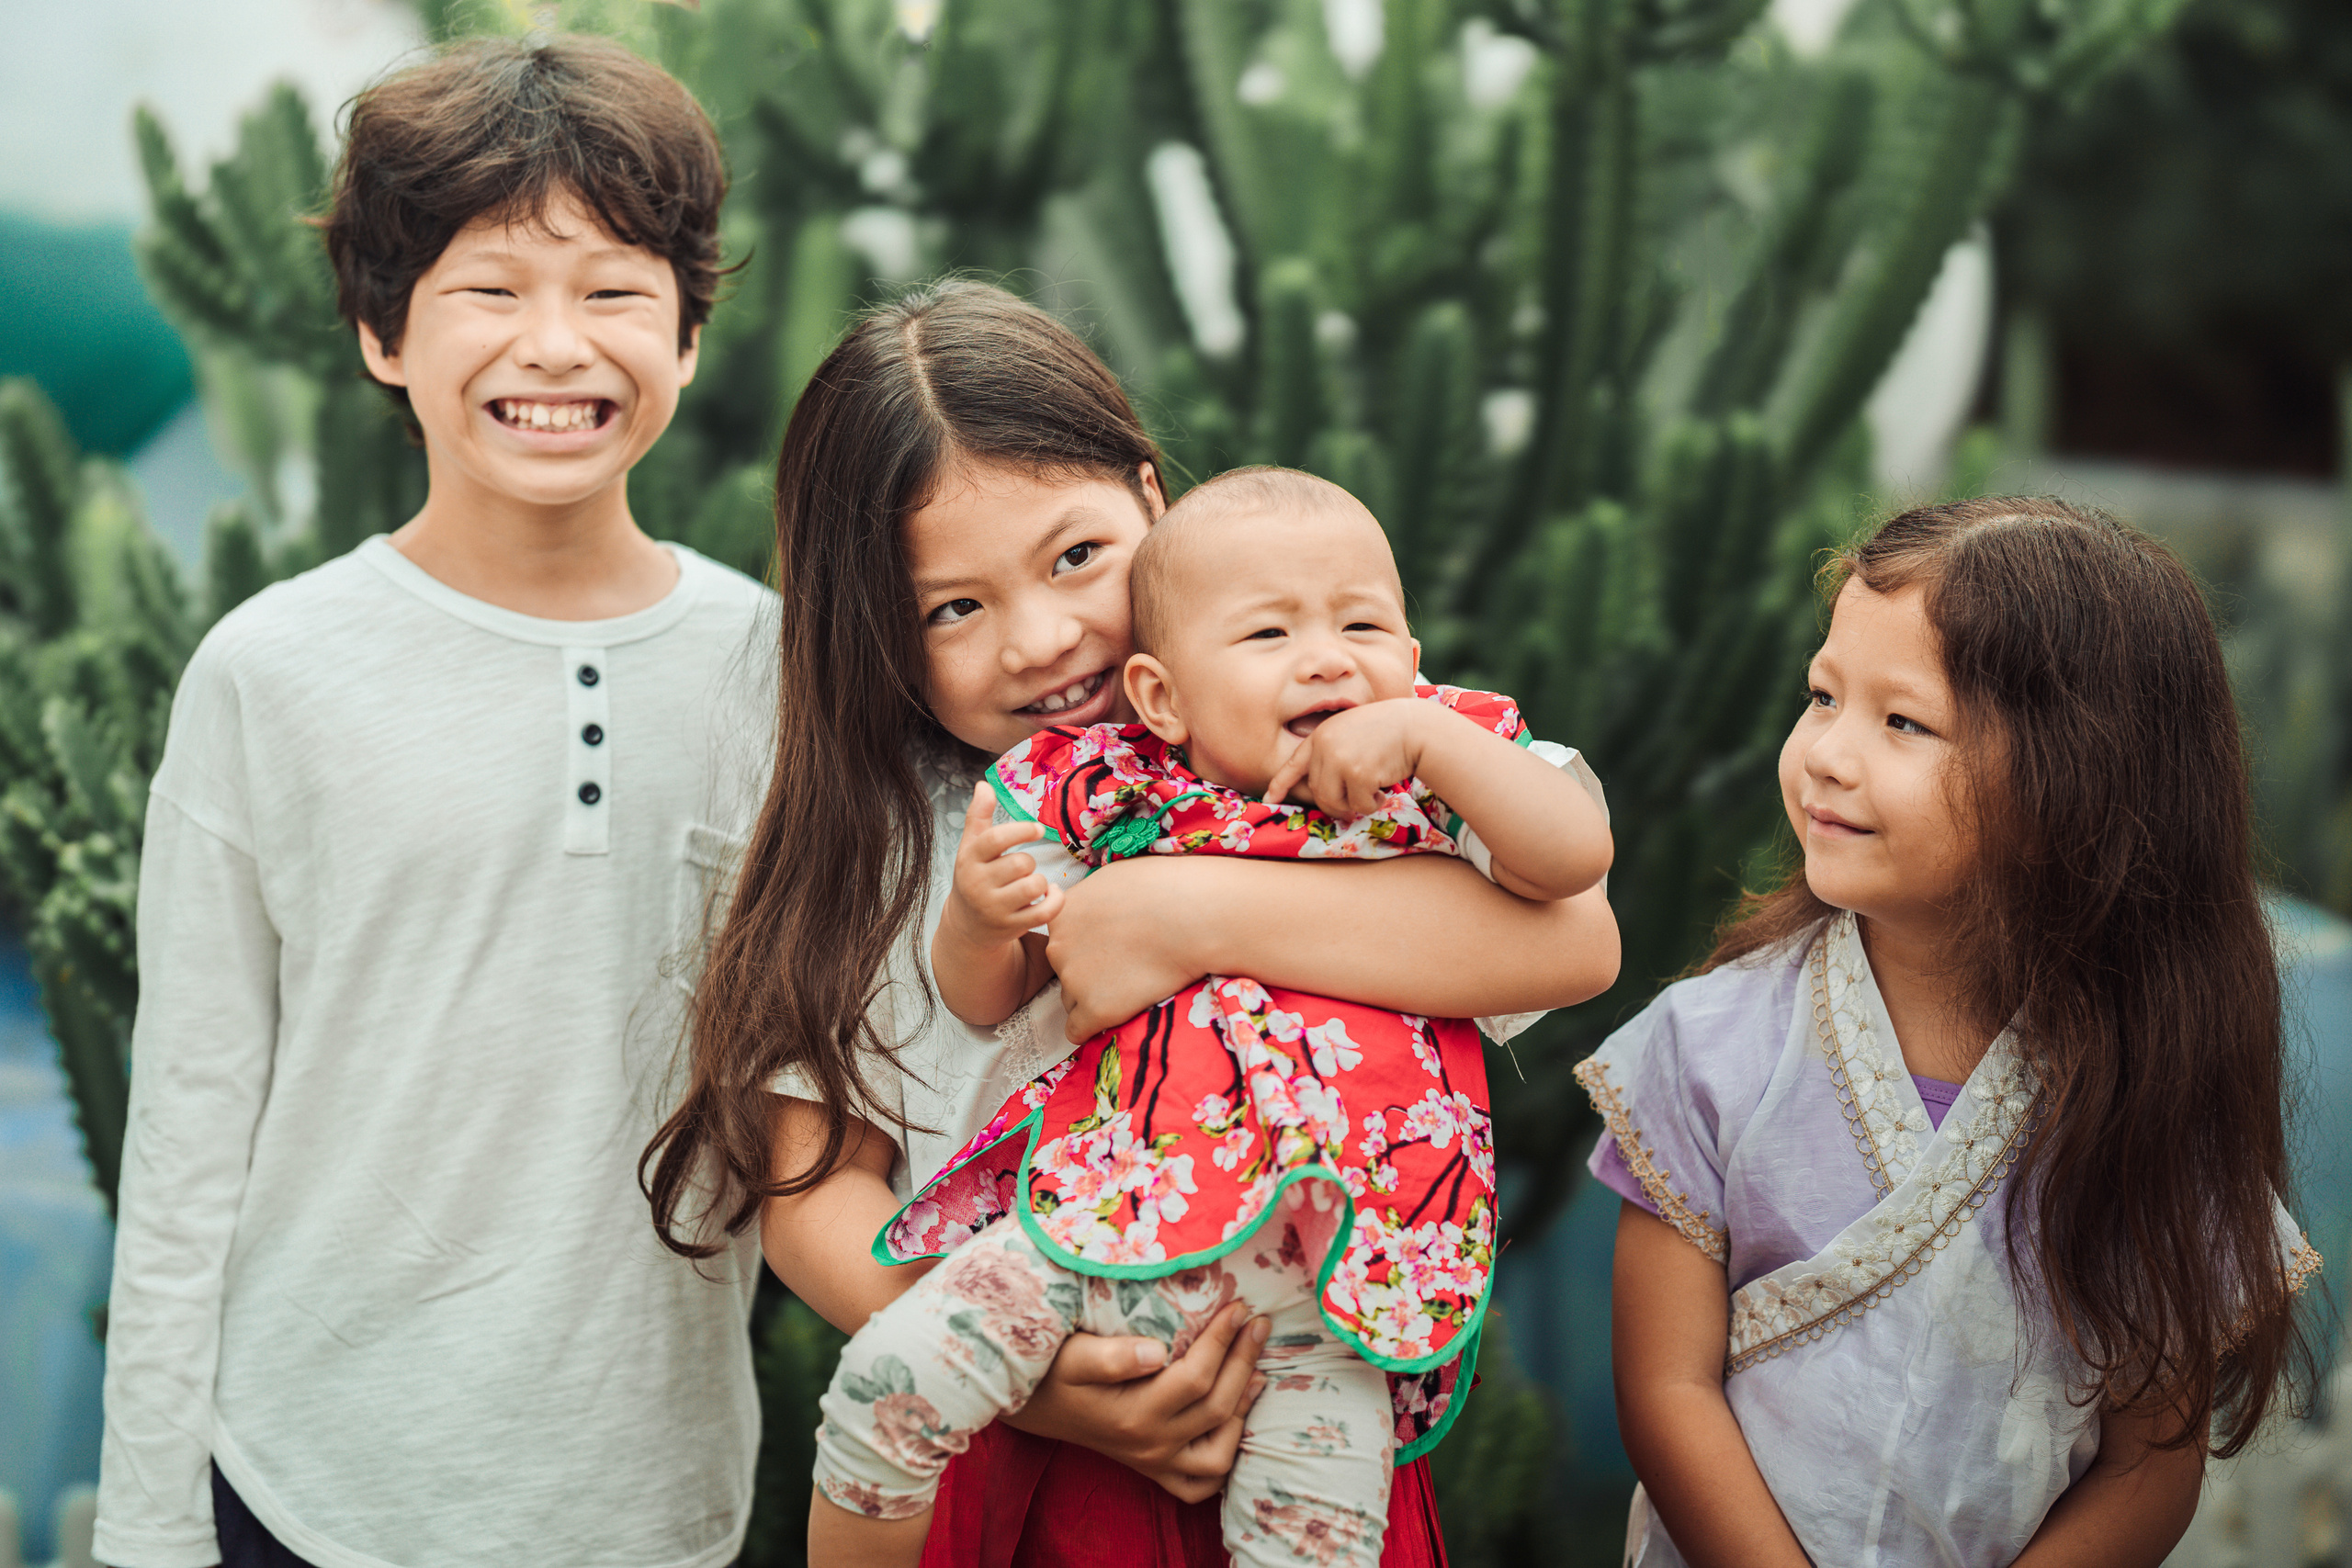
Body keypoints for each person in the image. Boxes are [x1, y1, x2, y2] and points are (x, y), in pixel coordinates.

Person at [643, 281, 1623, 1567]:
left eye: (1076, 557)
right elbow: (816, 1184)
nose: (1043, 639)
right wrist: (1049, 1379)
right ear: (873, 623)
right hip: (1010, 1417)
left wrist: (1176, 907)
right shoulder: (900, 833)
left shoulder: (1343, 759)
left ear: (1152, 503)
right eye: (953, 606)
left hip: (1302, 1393)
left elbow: (1569, 936)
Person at [95, 37, 774, 1568]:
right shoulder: (270, 670)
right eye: (490, 289)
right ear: (381, 334)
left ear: (685, 331)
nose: (555, 347)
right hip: (306, 1485)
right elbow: (192, 1128)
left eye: (611, 292)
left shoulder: (778, 669)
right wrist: (146, 1529)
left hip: (653, 1502)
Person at [1581, 498, 2324, 1568]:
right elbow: (1665, 1387)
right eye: (1822, 697)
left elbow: (2144, 1470)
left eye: (1902, 722)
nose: (1828, 754)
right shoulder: (1707, 1050)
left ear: (2079, 778)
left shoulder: (2150, 1101)